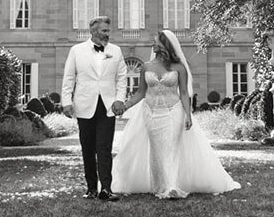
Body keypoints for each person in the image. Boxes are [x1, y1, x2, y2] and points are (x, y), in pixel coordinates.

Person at [111, 29, 240, 200]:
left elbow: (184, 93)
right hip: (151, 113)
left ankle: (171, 186)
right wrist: (125, 106)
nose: (153, 44)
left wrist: (188, 115)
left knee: (171, 148)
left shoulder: (179, 67)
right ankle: (160, 185)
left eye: (156, 41)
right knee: (157, 149)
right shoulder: (146, 67)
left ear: (165, 45)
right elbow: (140, 93)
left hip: (173, 111)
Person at [61, 15, 127, 201]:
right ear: (93, 31)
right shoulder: (77, 50)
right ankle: (91, 188)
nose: (107, 34)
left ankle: (106, 188)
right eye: (104, 31)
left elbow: (121, 78)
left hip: (107, 107)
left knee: (104, 148)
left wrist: (119, 99)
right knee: (88, 148)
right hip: (84, 105)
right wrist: (66, 101)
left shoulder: (116, 50)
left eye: (108, 31)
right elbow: (69, 78)